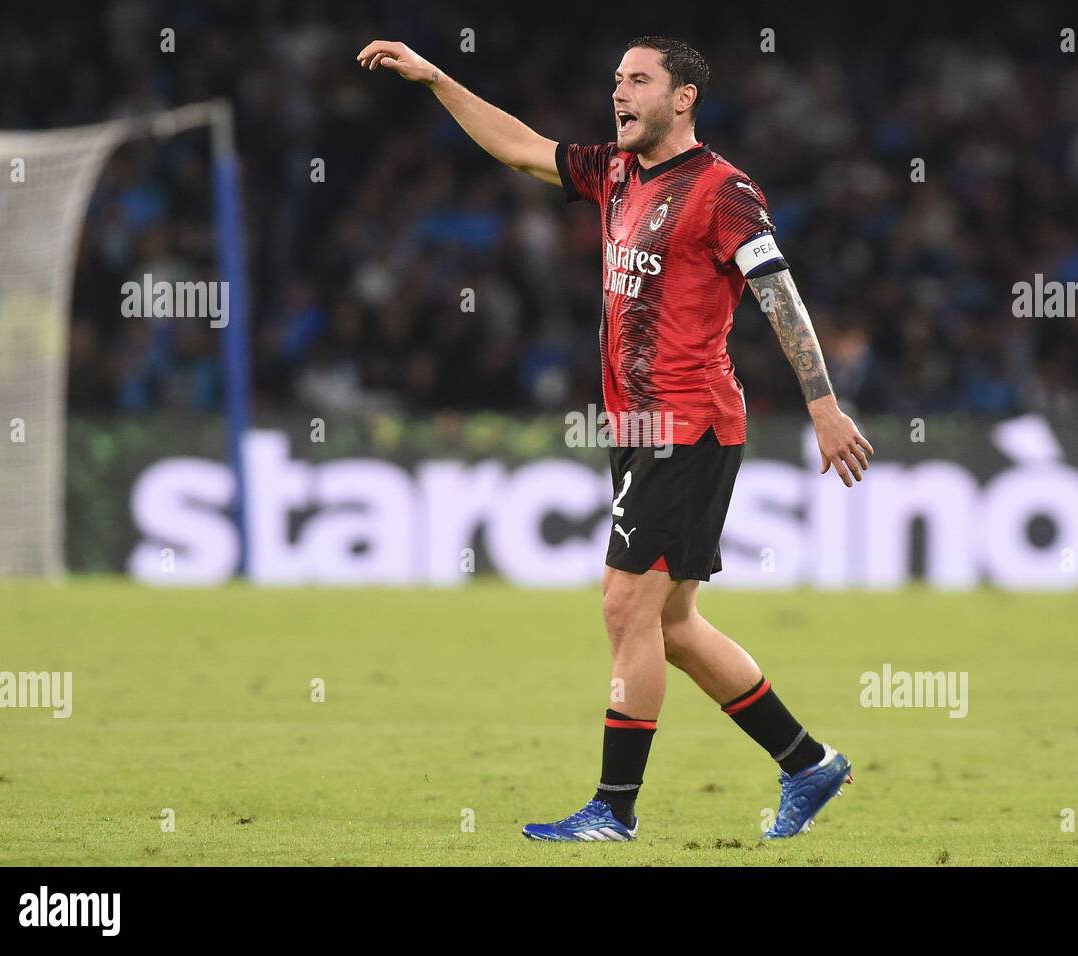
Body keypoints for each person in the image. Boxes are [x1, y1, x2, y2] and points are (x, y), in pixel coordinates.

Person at [358, 34, 874, 840]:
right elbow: (521, 146)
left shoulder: (724, 190)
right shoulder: (617, 172)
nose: (620, 93)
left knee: (623, 603)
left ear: (684, 97)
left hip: (688, 423)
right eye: (616, 81)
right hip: (635, 426)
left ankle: (614, 810)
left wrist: (822, 404)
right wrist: (435, 80)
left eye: (639, 80)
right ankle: (808, 763)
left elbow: (780, 295)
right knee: (671, 627)